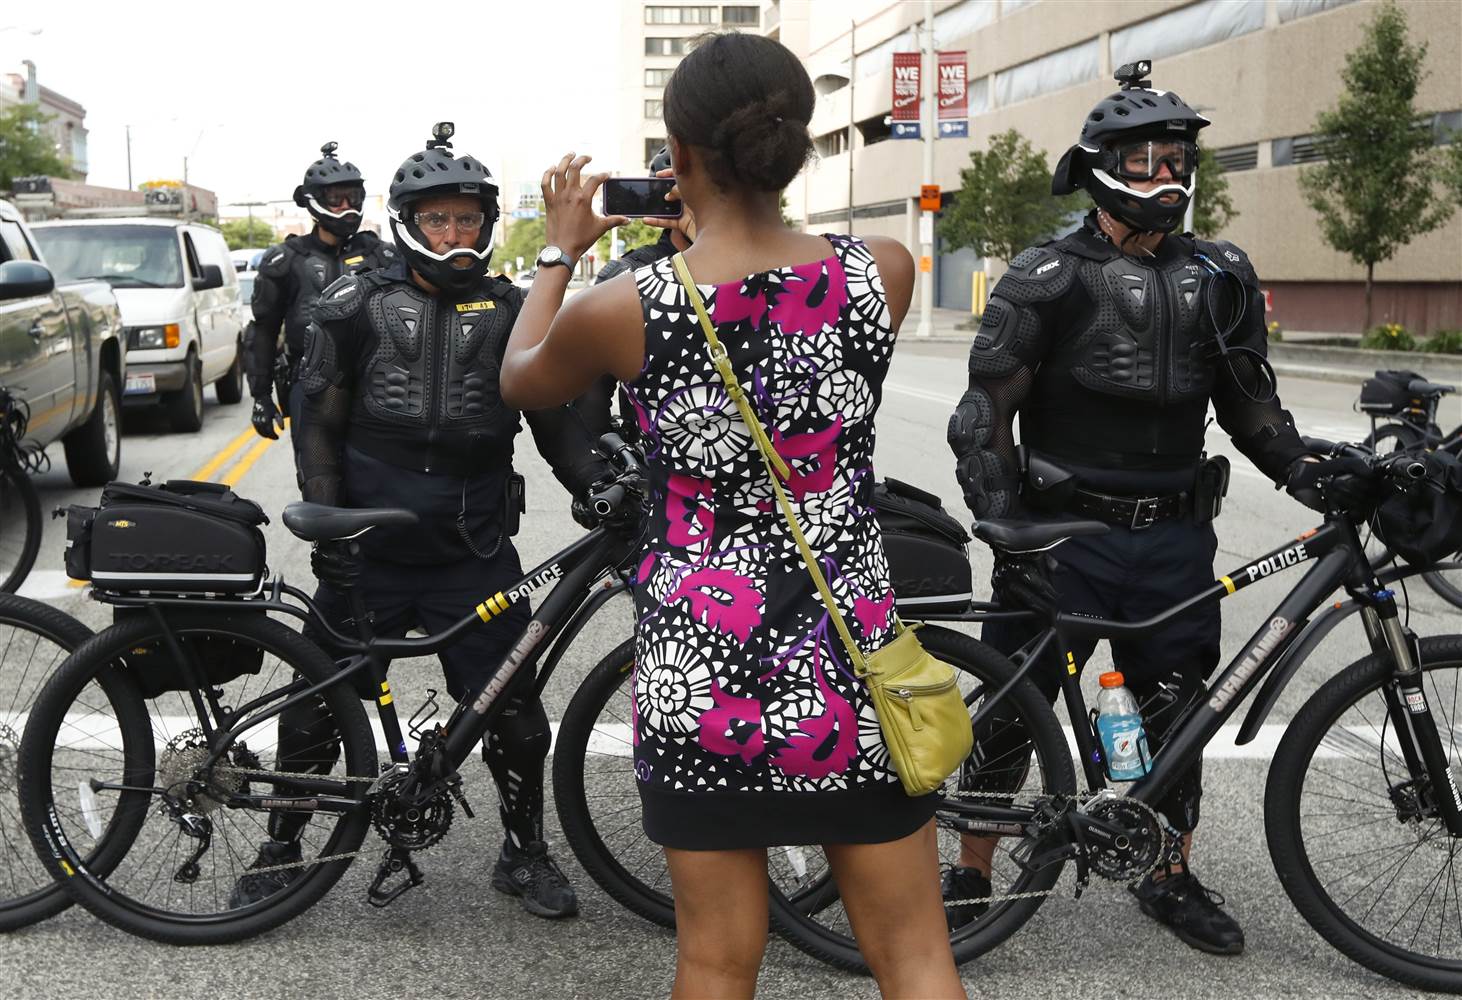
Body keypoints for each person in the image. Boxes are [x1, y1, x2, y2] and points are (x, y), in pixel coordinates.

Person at [499, 33, 966, 1000]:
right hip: (852, 653)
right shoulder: (880, 269)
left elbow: (519, 376)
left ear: (677, 157)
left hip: (699, 667)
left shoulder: (627, 306)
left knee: (715, 959)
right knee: (915, 954)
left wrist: (560, 247)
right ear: (791, 144)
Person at [945, 59, 1326, 956]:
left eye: (1180, 158)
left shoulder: (1222, 275)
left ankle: (1169, 872)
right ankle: (970, 871)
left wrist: (1312, 472)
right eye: (1148, 159)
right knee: (1013, 705)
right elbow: (981, 416)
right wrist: (1007, 530)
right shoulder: (1046, 276)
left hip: (1175, 540)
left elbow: (1250, 407)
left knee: (1176, 708)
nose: (1170, 176)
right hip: (1062, 537)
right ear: (1099, 165)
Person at [229, 123, 606, 920]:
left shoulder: (513, 310)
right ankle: (284, 845)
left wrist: (598, 485)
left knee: (515, 714)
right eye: (439, 219)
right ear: (407, 220)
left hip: (473, 549)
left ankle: (523, 852)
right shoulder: (352, 303)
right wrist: (327, 527)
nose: (455, 233)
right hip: (367, 549)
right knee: (315, 706)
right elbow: (318, 425)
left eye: (468, 220)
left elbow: (558, 426)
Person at [244, 142, 396, 442]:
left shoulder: (384, 257)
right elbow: (262, 331)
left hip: (377, 384)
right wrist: (260, 396)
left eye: (353, 197)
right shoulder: (284, 260)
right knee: (318, 480)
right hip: (309, 385)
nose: (346, 206)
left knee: (375, 478)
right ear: (312, 201)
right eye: (336, 198)